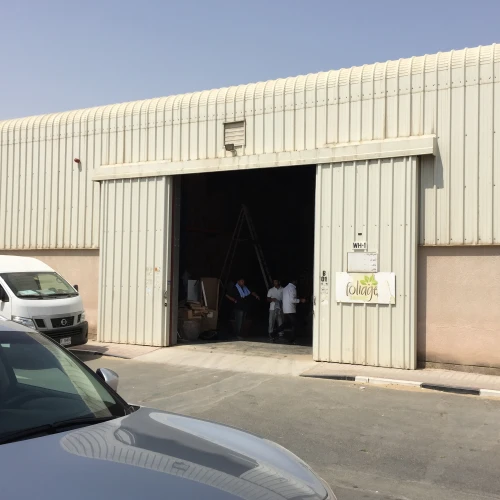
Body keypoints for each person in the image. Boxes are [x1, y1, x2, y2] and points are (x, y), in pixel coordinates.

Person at [275, 279, 306, 344]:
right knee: (295, 324)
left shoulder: (285, 288)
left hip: (286, 309)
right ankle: (292, 340)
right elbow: (292, 300)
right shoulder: (293, 288)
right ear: (294, 281)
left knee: (286, 324)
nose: (297, 282)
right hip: (291, 309)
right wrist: (300, 300)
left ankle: (273, 333)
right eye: (296, 281)